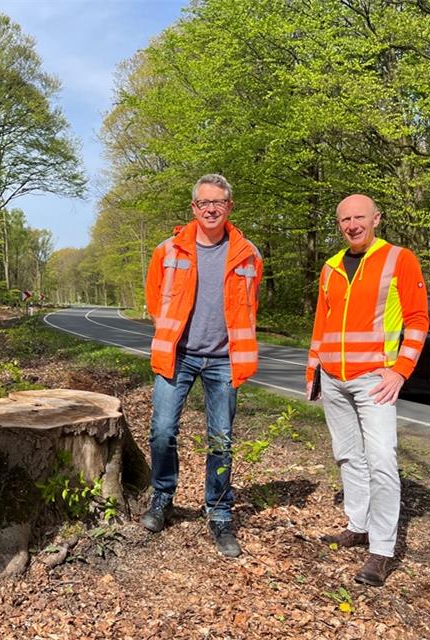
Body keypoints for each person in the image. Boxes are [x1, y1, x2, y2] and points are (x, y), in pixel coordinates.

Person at [306, 194, 428, 587]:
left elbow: (418, 317)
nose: (352, 224)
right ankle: (357, 526)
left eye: (359, 217)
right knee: (348, 456)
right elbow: (321, 325)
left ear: (376, 218)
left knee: (381, 460)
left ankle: (382, 550)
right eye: (345, 219)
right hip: (334, 377)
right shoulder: (330, 266)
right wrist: (314, 372)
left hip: (376, 378)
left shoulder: (399, 258)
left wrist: (401, 370)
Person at [141, 173, 263, 558]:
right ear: (193, 208)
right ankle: (162, 498)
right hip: (177, 354)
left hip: (224, 359)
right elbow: (153, 299)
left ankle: (220, 511)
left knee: (221, 439)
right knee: (162, 431)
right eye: (204, 203)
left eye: (219, 203)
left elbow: (250, 305)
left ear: (230, 207)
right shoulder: (168, 250)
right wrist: (171, 334)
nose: (211, 209)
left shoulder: (249, 254)